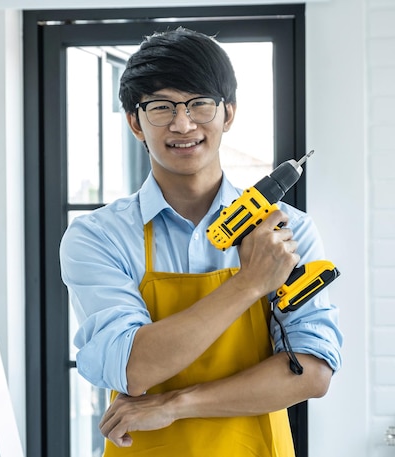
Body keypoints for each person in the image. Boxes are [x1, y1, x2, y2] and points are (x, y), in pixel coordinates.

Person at [60, 27, 343, 457]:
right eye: (161, 107)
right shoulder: (99, 236)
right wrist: (249, 284)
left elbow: (312, 371)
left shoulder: (289, 233)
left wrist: (176, 404)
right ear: (135, 122)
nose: (182, 123)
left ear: (227, 114)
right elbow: (135, 368)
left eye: (199, 104)